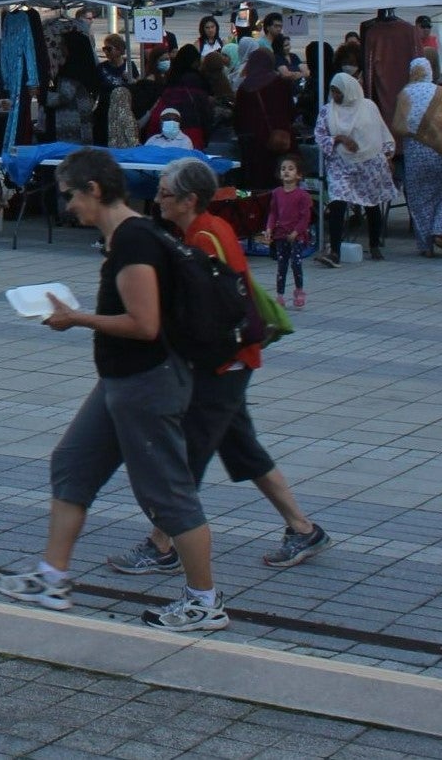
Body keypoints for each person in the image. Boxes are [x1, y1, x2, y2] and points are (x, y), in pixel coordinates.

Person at [0, 148, 228, 633]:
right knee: (73, 462)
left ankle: (204, 602)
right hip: (121, 382)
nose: (67, 207)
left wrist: (74, 318)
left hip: (148, 383)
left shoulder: (134, 242)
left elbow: (144, 324)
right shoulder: (131, 237)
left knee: (167, 494)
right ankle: (52, 577)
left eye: (69, 196)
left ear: (93, 190)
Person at [108, 157, 331, 577]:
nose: (157, 199)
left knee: (187, 456)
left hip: (222, 364)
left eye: (165, 194)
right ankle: (303, 528)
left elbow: (202, 309)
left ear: (189, 199)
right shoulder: (206, 228)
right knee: (242, 448)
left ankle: (162, 543)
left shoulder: (205, 237)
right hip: (232, 360)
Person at [392, 57, 442, 258]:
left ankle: (425, 244)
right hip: (441, 152)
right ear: (429, 71)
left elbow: (399, 126)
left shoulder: (404, 94)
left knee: (420, 198)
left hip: (415, 156)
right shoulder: (441, 93)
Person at [316, 72, 394, 263]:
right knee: (337, 202)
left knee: (371, 203)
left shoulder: (368, 107)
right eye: (332, 92)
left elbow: (381, 131)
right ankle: (335, 251)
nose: (335, 96)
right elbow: (320, 136)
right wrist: (339, 138)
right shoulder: (328, 111)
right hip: (340, 164)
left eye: (338, 92)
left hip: (369, 164)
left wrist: (388, 154)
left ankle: (374, 245)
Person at [233, 47, 294, 189]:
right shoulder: (281, 83)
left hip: (254, 146)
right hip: (280, 139)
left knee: (258, 186)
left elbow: (238, 119)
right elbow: (291, 111)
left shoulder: (245, 87)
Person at [259, 154, 312, 307]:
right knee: (281, 264)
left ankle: (299, 290)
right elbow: (273, 213)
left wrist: (296, 232)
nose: (286, 172)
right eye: (283, 169)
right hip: (281, 234)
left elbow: (305, 217)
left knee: (296, 263)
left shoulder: (303, 195)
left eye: (290, 169)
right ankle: (280, 295)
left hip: (297, 235)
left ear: (299, 174)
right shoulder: (276, 193)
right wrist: (269, 228)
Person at [47, 31, 101, 145]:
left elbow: (64, 97)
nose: (61, 48)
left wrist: (43, 95)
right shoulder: (86, 67)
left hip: (72, 122)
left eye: (63, 45)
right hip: (84, 119)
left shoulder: (71, 71)